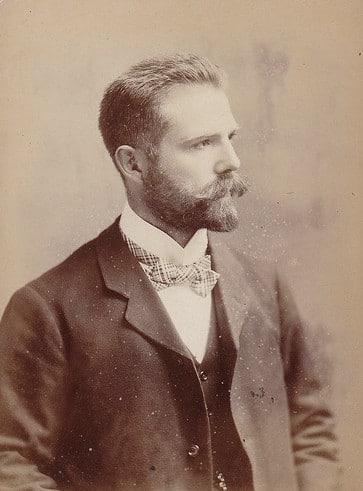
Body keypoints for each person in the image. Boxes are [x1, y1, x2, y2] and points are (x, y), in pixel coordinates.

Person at [0, 54, 339, 490]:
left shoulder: (264, 285)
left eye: (229, 137)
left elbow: (309, 428)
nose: (231, 161)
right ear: (133, 164)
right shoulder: (45, 308)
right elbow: (10, 464)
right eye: (202, 144)